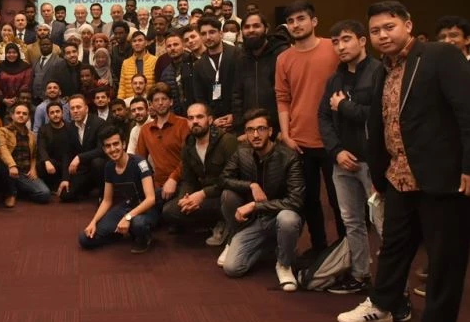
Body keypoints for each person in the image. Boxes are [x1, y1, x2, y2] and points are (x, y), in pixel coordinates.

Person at [337, 2, 470, 322]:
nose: (382, 35)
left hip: (444, 177)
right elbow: (381, 123)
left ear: (408, 25)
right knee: (394, 248)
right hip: (399, 177)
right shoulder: (383, 69)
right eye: (375, 30)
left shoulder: (439, 56)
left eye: (389, 27)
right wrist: (380, 175)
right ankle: (382, 306)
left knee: (444, 258)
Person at [317, 20, 382, 294]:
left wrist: (343, 105)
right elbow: (323, 117)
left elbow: (377, 117)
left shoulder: (380, 72)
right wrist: (336, 151)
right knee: (352, 223)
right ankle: (359, 275)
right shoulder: (335, 78)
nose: (340, 47)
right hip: (342, 161)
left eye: (346, 39)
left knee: (384, 225)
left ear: (362, 40)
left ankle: (393, 286)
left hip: (374, 164)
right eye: (335, 42)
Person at [275, 0, 343, 252]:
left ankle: (346, 250)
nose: (296, 25)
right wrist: (286, 134)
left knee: (339, 201)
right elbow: (282, 98)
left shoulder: (333, 48)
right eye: (290, 21)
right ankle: (319, 249)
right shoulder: (283, 58)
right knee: (309, 200)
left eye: (301, 19)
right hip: (300, 142)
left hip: (334, 140)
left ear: (314, 21)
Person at [218, 108, 304, 292]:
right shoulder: (242, 153)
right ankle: (265, 245)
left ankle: (284, 263)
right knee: (232, 268)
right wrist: (251, 185)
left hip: (279, 217)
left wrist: (255, 205)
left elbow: (295, 201)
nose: (255, 135)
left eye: (261, 129)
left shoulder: (288, 158)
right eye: (250, 130)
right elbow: (223, 179)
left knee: (288, 219)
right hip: (254, 222)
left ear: (270, 131)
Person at [162, 102, 238, 244]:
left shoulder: (227, 141)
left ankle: (226, 223)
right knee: (170, 211)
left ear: (210, 120)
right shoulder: (188, 145)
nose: (195, 121)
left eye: (199, 117)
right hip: (204, 196)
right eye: (190, 118)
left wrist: (202, 194)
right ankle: (212, 223)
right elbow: (188, 179)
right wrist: (186, 199)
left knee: (228, 197)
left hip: (226, 195)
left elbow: (233, 179)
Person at [78, 126, 159, 253]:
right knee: (85, 239)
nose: (112, 149)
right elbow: (106, 201)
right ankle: (119, 233)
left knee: (138, 223)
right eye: (108, 146)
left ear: (124, 144)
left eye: (116, 144)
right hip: (125, 207)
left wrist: (127, 217)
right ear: (104, 149)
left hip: (146, 209)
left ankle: (143, 236)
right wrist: (93, 222)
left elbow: (150, 199)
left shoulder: (140, 163)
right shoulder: (109, 166)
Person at [232, 13, 290, 136]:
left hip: (278, 129)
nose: (251, 30)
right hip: (250, 130)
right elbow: (237, 95)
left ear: (266, 29)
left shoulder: (282, 53)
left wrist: (285, 130)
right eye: (246, 27)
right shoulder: (241, 57)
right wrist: (240, 129)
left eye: (256, 26)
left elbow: (290, 93)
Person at [57, 95, 107, 202]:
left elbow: (102, 149)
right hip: (83, 169)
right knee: (65, 195)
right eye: (72, 108)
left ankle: (103, 195)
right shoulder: (69, 127)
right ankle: (87, 188)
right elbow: (66, 154)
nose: (75, 111)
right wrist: (65, 178)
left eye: (78, 107)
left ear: (86, 108)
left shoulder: (99, 123)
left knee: (97, 162)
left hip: (99, 165)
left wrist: (79, 157)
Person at [0, 103, 50, 205]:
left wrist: (33, 168)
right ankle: (11, 193)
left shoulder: (31, 135)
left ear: (28, 117)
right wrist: (12, 165)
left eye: (24, 114)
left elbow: (34, 155)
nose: (21, 115)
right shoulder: (2, 131)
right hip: (8, 171)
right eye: (18, 113)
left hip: (24, 173)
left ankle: (19, 191)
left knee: (45, 194)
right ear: (12, 115)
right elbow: (2, 149)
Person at [193, 16, 237, 129]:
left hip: (237, 118)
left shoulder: (237, 54)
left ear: (221, 34)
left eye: (212, 32)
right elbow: (200, 97)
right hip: (214, 123)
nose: (208, 37)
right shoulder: (199, 65)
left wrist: (235, 115)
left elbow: (244, 88)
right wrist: (211, 119)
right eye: (203, 34)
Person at [37, 101, 73, 192]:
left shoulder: (70, 128)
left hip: (69, 163)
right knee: (41, 164)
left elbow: (68, 153)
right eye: (52, 113)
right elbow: (41, 148)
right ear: (48, 115)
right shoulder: (43, 129)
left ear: (62, 112)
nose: (55, 115)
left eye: (57, 111)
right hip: (51, 164)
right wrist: (47, 161)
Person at [158, 33, 195, 116]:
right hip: (177, 116)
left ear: (183, 45)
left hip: (196, 112)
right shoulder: (165, 73)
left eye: (176, 44)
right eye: (169, 46)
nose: (172, 48)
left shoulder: (194, 63)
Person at [0, 43, 33, 114]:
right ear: (5, 54)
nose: (11, 55)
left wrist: (16, 98)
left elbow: (26, 85)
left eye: (14, 52)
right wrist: (3, 99)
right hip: (2, 103)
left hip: (21, 103)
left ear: (18, 53)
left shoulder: (26, 67)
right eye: (9, 52)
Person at [117, 32, 156, 100]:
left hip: (150, 101)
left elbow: (157, 84)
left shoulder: (155, 60)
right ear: (131, 44)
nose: (137, 43)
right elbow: (122, 86)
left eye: (140, 40)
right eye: (134, 41)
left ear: (146, 43)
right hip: (130, 102)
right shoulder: (126, 63)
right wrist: (120, 102)